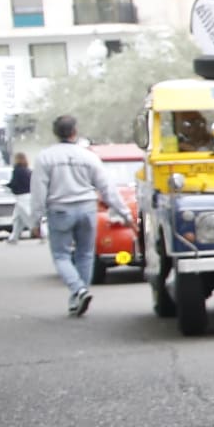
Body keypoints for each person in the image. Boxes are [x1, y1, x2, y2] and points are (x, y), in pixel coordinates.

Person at [30, 116, 128, 317]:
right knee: (85, 254)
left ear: (56, 132)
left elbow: (38, 191)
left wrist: (35, 220)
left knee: (61, 255)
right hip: (87, 208)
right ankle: (80, 295)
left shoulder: (45, 157)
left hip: (60, 210)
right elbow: (106, 187)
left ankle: (78, 290)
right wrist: (124, 212)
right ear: (75, 131)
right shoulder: (88, 156)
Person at [6, 152, 29, 242]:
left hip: (21, 196)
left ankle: (42, 233)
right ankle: (14, 237)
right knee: (17, 218)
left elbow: (15, 183)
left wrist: (9, 186)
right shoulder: (26, 170)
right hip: (27, 195)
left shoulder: (17, 170)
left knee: (28, 216)